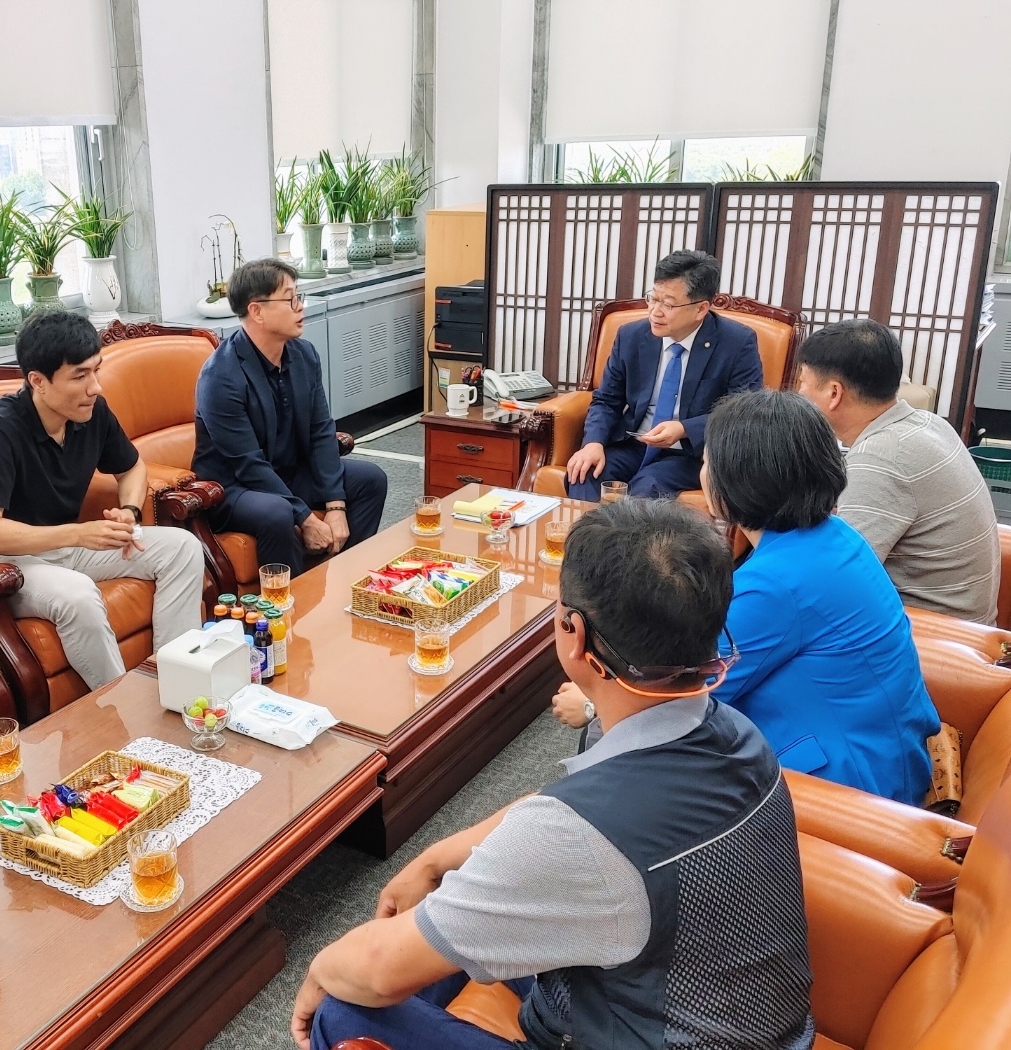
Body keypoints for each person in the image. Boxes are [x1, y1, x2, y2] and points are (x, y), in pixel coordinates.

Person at [294, 499, 815, 1050]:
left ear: (574, 633)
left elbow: (378, 970)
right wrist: (434, 858)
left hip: (633, 1025)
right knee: (451, 888)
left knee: (341, 1009)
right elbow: (565, 819)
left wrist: (320, 968)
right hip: (724, 1012)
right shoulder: (738, 734)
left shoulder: (578, 838)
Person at [559, 389, 940, 806]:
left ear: (735, 481)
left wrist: (594, 703)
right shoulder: (836, 537)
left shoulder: (775, 585)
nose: (703, 471)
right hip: (887, 752)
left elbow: (679, 695)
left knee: (609, 730)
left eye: (708, 461)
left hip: (841, 785)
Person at [0, 312, 204, 691]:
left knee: (183, 548)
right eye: (79, 376)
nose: (95, 387)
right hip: (9, 565)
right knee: (79, 595)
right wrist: (78, 534)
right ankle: (123, 706)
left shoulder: (91, 411)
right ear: (38, 381)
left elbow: (133, 469)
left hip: (69, 546)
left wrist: (129, 512)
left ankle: (177, 682)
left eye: (96, 371)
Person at [796, 318, 1000, 624]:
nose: (799, 391)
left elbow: (836, 584)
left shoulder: (880, 457)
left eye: (802, 382)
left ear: (834, 393)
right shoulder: (930, 423)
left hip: (932, 632)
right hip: (969, 624)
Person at [193, 258, 387, 577]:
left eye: (299, 297)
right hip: (234, 488)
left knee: (370, 479)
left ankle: (348, 580)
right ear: (257, 311)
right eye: (290, 299)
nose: (300, 307)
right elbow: (247, 464)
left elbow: (320, 432)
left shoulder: (304, 354)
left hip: (289, 473)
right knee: (278, 511)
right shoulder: (220, 377)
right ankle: (290, 603)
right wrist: (305, 518)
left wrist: (335, 505)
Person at [565, 250, 764, 501]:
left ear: (701, 309)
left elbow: (745, 414)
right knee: (583, 474)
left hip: (688, 453)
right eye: (653, 299)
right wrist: (593, 443)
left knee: (646, 488)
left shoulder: (736, 343)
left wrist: (684, 428)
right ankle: (586, 529)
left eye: (668, 304)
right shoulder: (631, 336)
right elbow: (607, 399)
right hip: (635, 443)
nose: (655, 312)